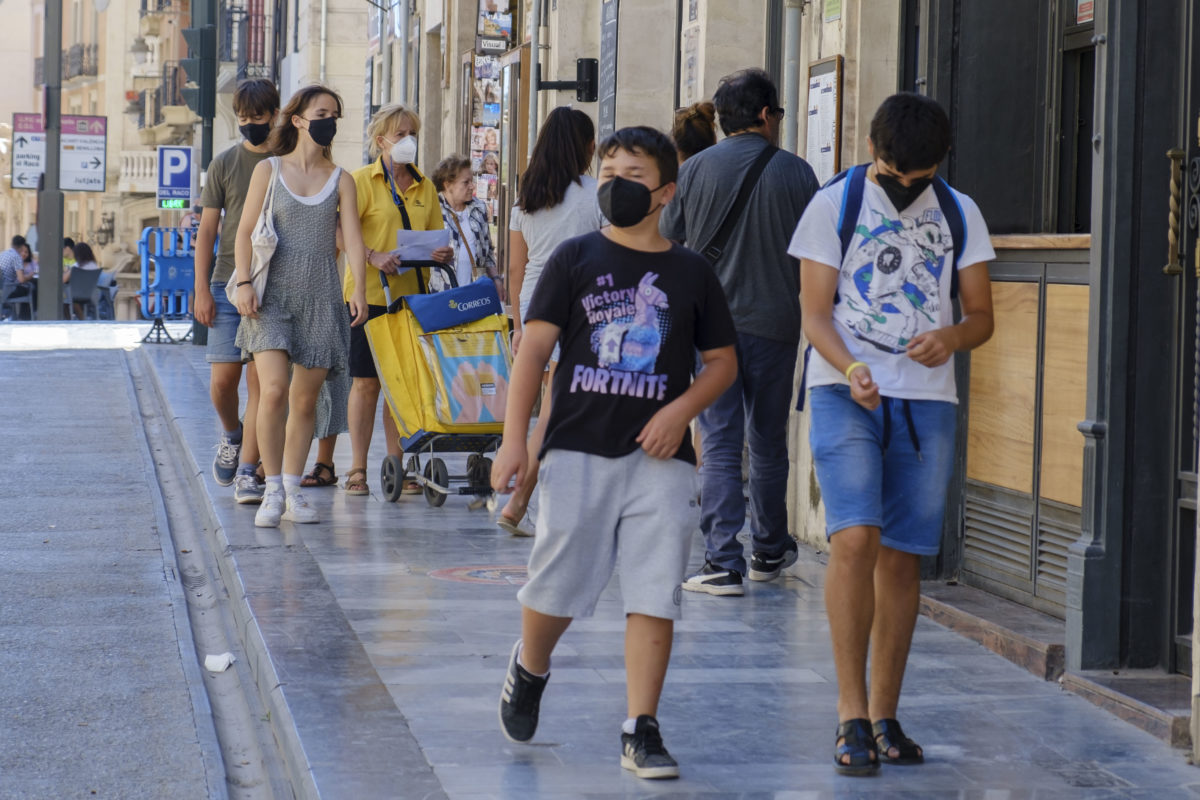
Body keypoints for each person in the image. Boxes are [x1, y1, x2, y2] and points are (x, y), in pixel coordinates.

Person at [491, 125, 737, 780]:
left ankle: (641, 727)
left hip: (660, 461)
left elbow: (721, 364)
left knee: (656, 591)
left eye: (632, 175)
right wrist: (516, 440)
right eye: (608, 173)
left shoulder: (691, 272)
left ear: (664, 193)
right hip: (576, 449)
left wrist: (680, 412)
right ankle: (531, 665)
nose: (616, 185)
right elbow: (533, 355)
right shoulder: (574, 260)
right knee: (558, 584)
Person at [790, 92, 994, 775]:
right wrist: (850, 367)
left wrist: (953, 337)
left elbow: (982, 317)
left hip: (927, 401)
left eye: (920, 178)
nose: (906, 189)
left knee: (903, 557)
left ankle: (884, 714)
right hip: (843, 391)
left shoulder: (961, 212)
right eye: (893, 176)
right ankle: (849, 716)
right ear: (874, 154)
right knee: (854, 537)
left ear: (939, 164)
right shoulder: (833, 204)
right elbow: (815, 314)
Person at [661, 68, 819, 596]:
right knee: (770, 441)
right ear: (765, 114)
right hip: (777, 323)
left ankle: (722, 561)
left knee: (721, 439)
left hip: (711, 330)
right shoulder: (798, 174)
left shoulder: (695, 170)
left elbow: (669, 234)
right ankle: (769, 551)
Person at [232, 84, 368, 528]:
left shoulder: (341, 179)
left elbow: (353, 241)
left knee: (305, 401)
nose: (329, 121)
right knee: (272, 390)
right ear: (298, 120)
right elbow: (244, 232)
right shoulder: (268, 171)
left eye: (335, 114)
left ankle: (293, 487)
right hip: (271, 297)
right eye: (322, 112)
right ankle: (270, 487)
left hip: (321, 299)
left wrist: (359, 291)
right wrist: (246, 282)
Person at [498, 106, 604, 536]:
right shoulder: (596, 194)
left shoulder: (527, 199)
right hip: (577, 304)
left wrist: (520, 324)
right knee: (555, 411)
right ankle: (523, 501)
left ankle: (523, 502)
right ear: (586, 147)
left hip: (533, 303)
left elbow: (516, 270)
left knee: (549, 405)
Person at [338, 104, 453, 497]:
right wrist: (372, 257)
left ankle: (397, 467)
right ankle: (356, 468)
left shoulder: (426, 186)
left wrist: (442, 253)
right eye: (400, 134)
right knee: (366, 383)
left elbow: (437, 236)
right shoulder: (359, 182)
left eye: (412, 133)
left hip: (412, 300)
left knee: (400, 387)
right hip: (368, 297)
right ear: (380, 139)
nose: (408, 141)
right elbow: (341, 236)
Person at [193, 78, 280, 503]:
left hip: (275, 282)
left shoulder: (288, 159)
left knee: (262, 382)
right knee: (223, 381)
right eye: (243, 118)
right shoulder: (224, 164)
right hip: (227, 280)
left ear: (275, 115)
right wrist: (201, 290)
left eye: (257, 117)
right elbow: (208, 228)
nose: (249, 124)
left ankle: (249, 468)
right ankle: (233, 434)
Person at [433, 154, 502, 297]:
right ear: (447, 184)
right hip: (443, 296)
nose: (472, 186)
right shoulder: (432, 211)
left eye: (472, 181)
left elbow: (488, 251)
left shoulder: (479, 208)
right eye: (466, 182)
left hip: (475, 295)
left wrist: (496, 279)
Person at [0, 236, 33, 320]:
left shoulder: (2, 254)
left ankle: (15, 316)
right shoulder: (17, 257)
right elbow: (21, 279)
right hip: (8, 290)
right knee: (30, 288)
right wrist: (30, 275)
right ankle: (26, 318)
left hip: (2, 290)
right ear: (22, 246)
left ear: (12, 244)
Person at [66, 241, 100, 320]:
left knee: (66, 299)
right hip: (92, 294)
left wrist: (67, 271)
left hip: (77, 295)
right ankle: (83, 319)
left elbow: (64, 279)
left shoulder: (77, 266)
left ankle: (79, 319)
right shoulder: (94, 265)